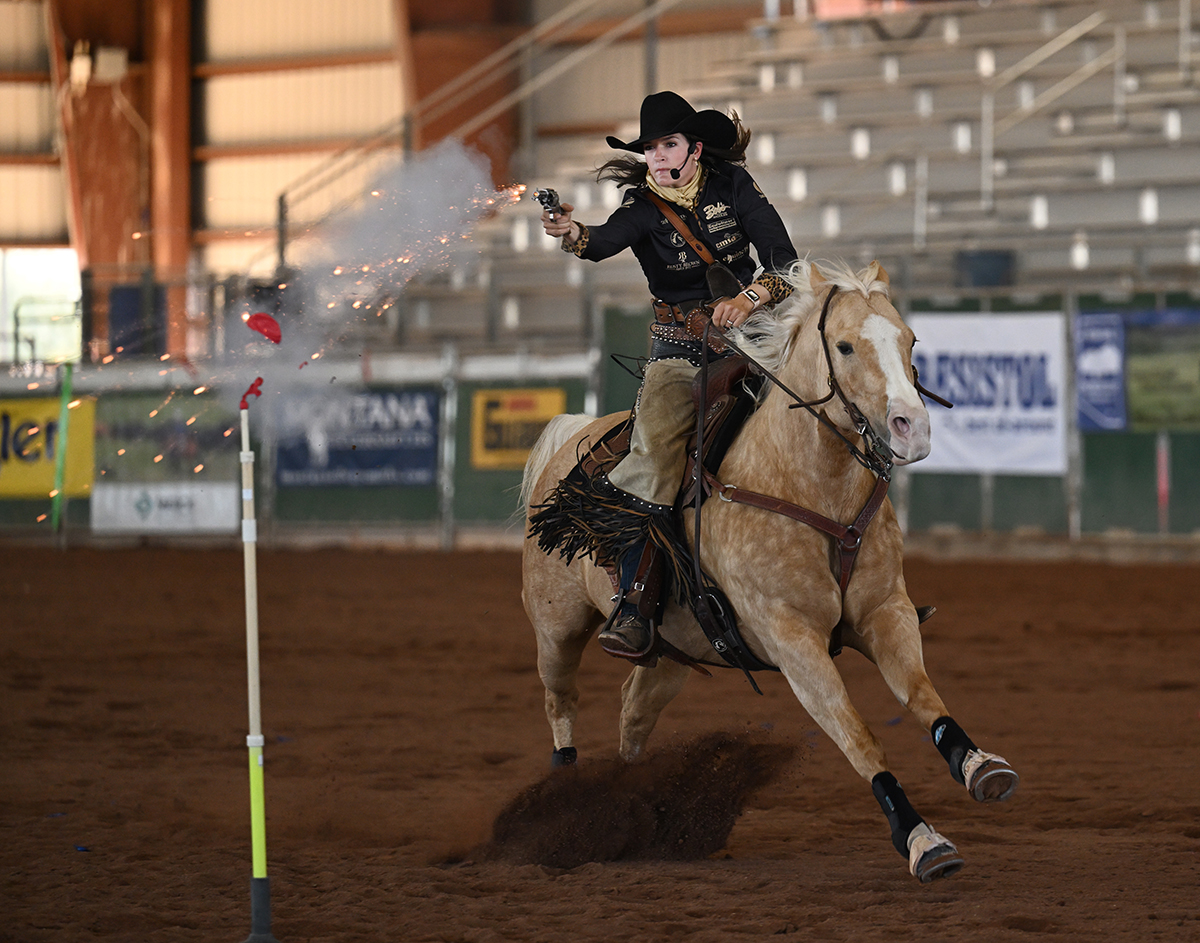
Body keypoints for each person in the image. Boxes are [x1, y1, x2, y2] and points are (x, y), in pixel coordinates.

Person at [534, 90, 799, 658]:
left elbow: (784, 261)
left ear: (694, 148)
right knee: (652, 460)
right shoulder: (640, 212)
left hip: (758, 339)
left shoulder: (735, 186)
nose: (656, 156)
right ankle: (635, 604)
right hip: (679, 353)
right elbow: (599, 243)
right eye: (650, 147)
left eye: (668, 144)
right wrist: (571, 232)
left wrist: (751, 298)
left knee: (822, 411)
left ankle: (863, 575)